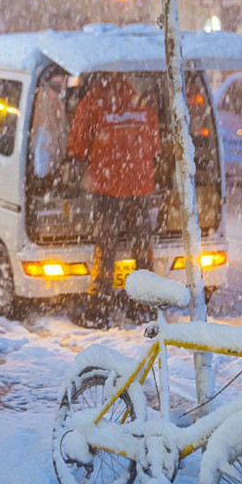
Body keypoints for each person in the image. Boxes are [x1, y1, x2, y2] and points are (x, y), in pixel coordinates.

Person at [68, 72, 161, 328]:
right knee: (142, 246)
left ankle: (99, 308)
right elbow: (155, 146)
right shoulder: (140, 103)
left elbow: (77, 146)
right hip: (140, 186)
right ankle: (144, 305)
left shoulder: (93, 101)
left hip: (107, 187)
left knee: (106, 247)